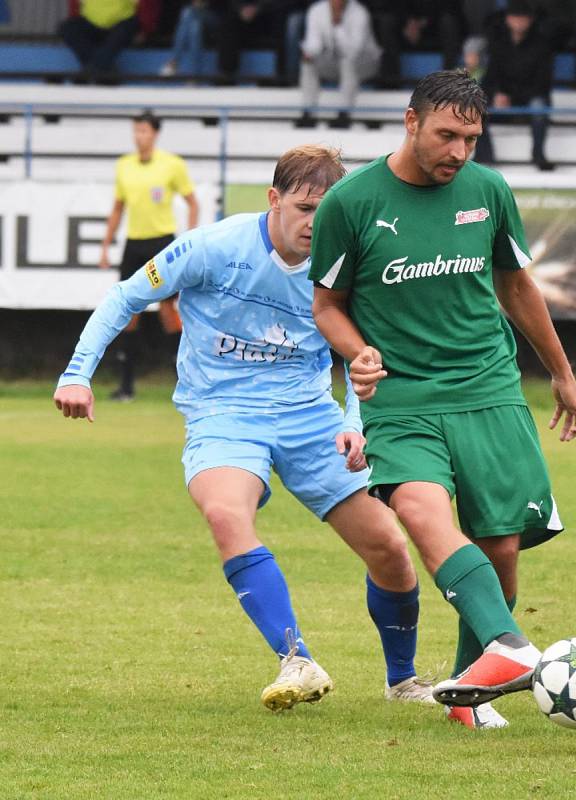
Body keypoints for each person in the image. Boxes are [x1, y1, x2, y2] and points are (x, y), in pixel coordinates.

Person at [54, 144, 435, 712]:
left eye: (327, 213)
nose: (315, 223)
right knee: (225, 512)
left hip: (311, 419)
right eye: (305, 208)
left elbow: (364, 358)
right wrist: (77, 374)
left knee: (390, 548)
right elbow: (124, 296)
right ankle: (296, 659)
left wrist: (355, 422)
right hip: (223, 414)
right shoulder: (214, 246)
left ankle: (402, 681)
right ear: (274, 199)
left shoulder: (346, 265)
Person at [309, 70, 576, 731]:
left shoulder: (488, 191)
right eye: (445, 135)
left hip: (487, 387)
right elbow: (326, 306)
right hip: (402, 397)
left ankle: (469, 697)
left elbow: (517, 287)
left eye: (470, 138)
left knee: (499, 549)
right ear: (410, 122)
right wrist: (358, 352)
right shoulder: (349, 203)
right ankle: (511, 647)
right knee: (421, 511)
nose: (458, 152)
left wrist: (562, 373)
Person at [99, 109, 199, 401]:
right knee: (129, 311)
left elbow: (192, 202)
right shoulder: (124, 165)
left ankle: (186, 382)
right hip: (134, 244)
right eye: (136, 131)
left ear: (154, 133)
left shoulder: (171, 165)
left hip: (161, 244)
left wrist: (189, 237)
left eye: (144, 131)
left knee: (169, 312)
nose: (139, 136)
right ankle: (127, 386)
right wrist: (106, 245)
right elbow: (118, 208)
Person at [474, 0, 555, 171]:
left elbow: (542, 84)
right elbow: (490, 78)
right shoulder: (499, 44)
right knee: (474, 105)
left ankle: (538, 154)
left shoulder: (542, 45)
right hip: (504, 98)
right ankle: (485, 154)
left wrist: (512, 97)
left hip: (529, 97)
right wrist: (497, 94)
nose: (519, 21)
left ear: (530, 20)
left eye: (523, 17)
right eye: (515, 17)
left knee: (539, 106)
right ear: (508, 19)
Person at [295, 0, 381, 130]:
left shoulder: (359, 12)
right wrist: (310, 53)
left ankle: (344, 114)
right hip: (335, 62)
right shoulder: (316, 10)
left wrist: (338, 24)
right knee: (308, 64)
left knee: (347, 62)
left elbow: (354, 50)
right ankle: (308, 113)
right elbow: (314, 42)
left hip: (365, 63)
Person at [58, 0, 159, 83]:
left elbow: (148, 4)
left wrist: (145, 29)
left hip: (122, 22)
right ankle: (105, 69)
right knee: (67, 28)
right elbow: (75, 5)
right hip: (90, 23)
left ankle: (91, 71)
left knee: (125, 30)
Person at [369, 0, 463, 88]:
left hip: (434, 24)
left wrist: (424, 21)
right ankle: (391, 77)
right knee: (387, 21)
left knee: (449, 22)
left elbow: (450, 6)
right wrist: (407, 21)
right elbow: (393, 4)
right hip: (406, 24)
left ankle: (448, 78)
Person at [159, 0, 225, 78]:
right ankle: (194, 74)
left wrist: (205, 3)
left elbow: (223, 5)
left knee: (188, 15)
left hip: (214, 17)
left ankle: (174, 61)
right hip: (194, 16)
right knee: (194, 25)